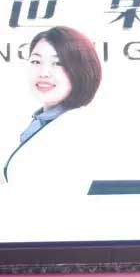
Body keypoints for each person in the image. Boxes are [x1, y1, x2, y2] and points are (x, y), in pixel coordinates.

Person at [1, 26, 102, 195]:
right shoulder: (42, 122)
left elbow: (42, 196)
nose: (43, 73)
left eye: (58, 63)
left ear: (81, 71)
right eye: (36, 62)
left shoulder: (75, 130)